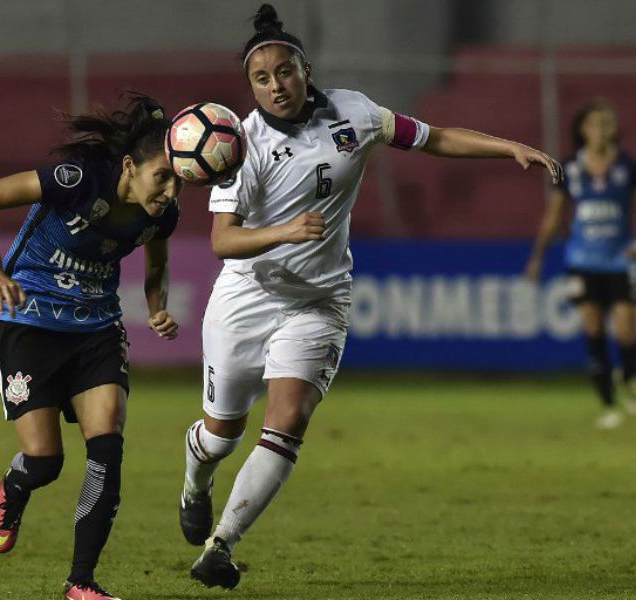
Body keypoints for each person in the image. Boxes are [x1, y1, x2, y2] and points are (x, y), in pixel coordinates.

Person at [179, 3, 563, 590]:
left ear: (305, 69)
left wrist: (506, 146)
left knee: (287, 424)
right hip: (246, 297)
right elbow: (223, 242)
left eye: (284, 72)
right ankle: (195, 486)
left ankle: (221, 544)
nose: (275, 86)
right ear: (249, 88)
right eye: (261, 79)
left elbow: (434, 138)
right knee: (218, 437)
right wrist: (286, 230)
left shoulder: (355, 113)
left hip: (319, 303)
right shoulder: (239, 145)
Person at [0, 93, 182, 600]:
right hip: (30, 320)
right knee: (46, 462)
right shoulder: (79, 180)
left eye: (178, 180)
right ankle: (17, 485)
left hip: (96, 328)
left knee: (107, 448)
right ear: (129, 166)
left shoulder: (159, 216)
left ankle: (80, 583)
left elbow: (156, 268)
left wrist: (156, 306)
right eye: (162, 178)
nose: (171, 191)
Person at [525, 97, 636, 430]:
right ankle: (609, 405)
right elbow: (554, 217)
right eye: (595, 123)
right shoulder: (568, 168)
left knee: (628, 329)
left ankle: (627, 375)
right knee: (593, 329)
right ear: (583, 129)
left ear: (614, 129)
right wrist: (537, 257)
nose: (601, 129)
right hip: (582, 261)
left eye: (607, 123)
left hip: (620, 261)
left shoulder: (630, 167)